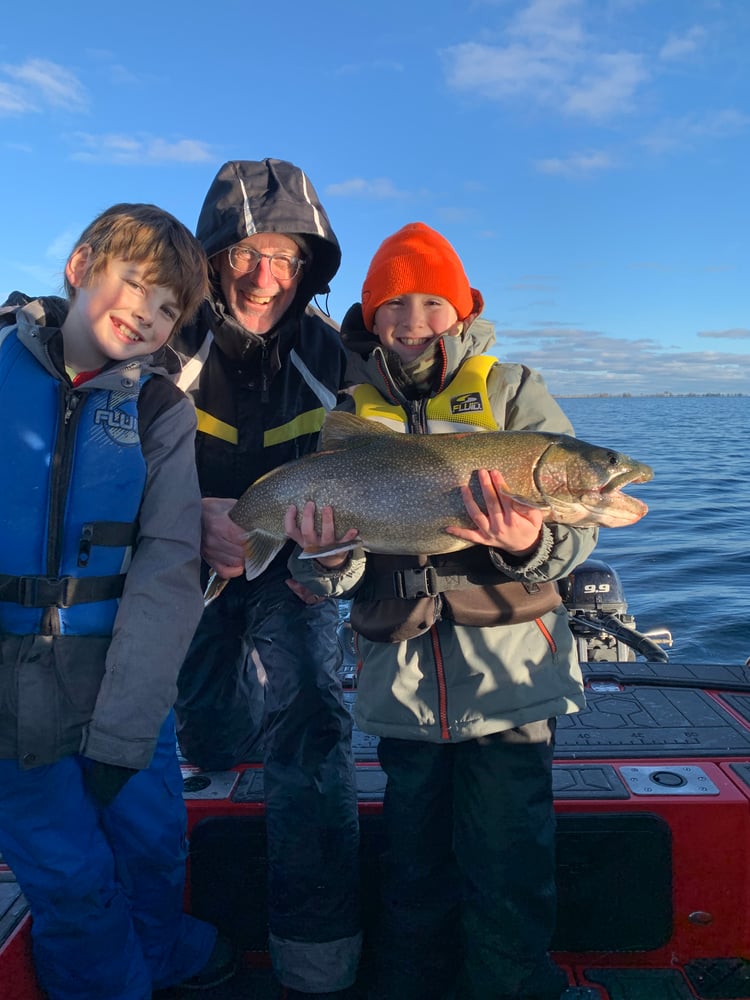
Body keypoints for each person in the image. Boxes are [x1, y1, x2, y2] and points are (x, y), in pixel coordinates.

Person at [286, 222, 599, 1000]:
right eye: (392, 302)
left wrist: (528, 545)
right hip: (400, 690)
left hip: (512, 684)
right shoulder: (349, 411)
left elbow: (578, 532)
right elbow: (333, 576)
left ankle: (513, 989)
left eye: (431, 300)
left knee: (510, 864)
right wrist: (325, 559)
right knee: (412, 868)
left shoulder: (512, 391)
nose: (412, 318)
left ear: (460, 310)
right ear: (370, 315)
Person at [0, 204, 237, 999]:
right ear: (80, 266)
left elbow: (170, 560)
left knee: (154, 843)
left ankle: (162, 953)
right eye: (135, 284)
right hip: (9, 696)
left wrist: (131, 721)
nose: (149, 313)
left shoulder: (160, 409)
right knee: (69, 873)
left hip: (123, 675)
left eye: (170, 307)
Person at [171, 159, 361, 999]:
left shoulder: (333, 357)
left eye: (287, 256)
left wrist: (335, 552)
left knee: (313, 724)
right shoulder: (167, 340)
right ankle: (193, 914)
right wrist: (186, 518)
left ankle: (317, 950)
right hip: (185, 560)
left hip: (296, 564)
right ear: (213, 257)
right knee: (205, 732)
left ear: (310, 265)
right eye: (247, 251)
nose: (265, 276)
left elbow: (372, 482)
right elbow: (103, 456)